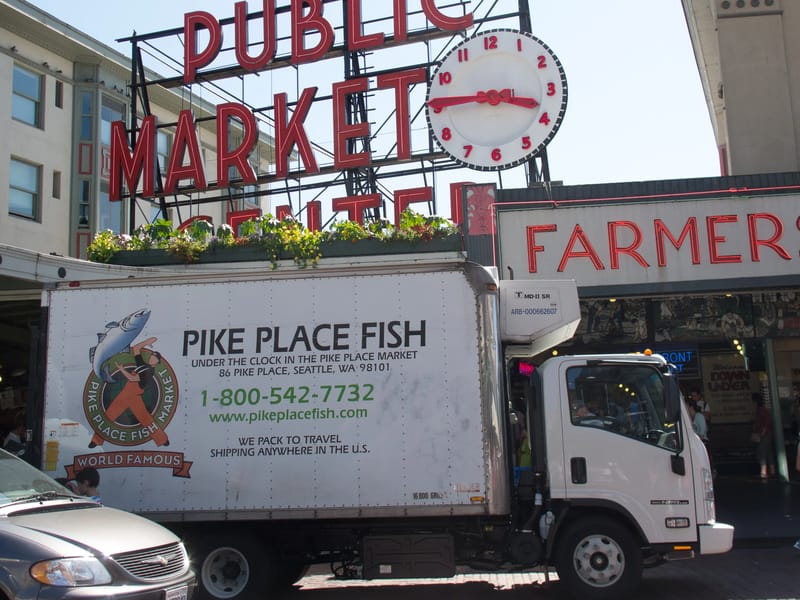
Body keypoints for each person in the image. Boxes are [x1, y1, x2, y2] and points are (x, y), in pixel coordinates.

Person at [89, 336, 169, 448]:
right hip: (125, 394)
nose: (152, 357)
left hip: (134, 397)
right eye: (152, 355)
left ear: (157, 362)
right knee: (108, 416)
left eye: (155, 357)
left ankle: (162, 439)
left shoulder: (150, 371)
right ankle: (96, 441)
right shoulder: (142, 365)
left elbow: (132, 379)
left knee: (146, 420)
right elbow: (136, 348)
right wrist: (146, 342)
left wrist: (122, 369)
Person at [752, 394, 776, 480]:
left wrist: (763, 432)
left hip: (763, 434)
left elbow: (766, 421)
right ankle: (772, 471)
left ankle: (763, 472)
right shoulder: (763, 410)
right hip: (767, 434)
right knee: (769, 453)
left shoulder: (760, 410)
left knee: (762, 453)